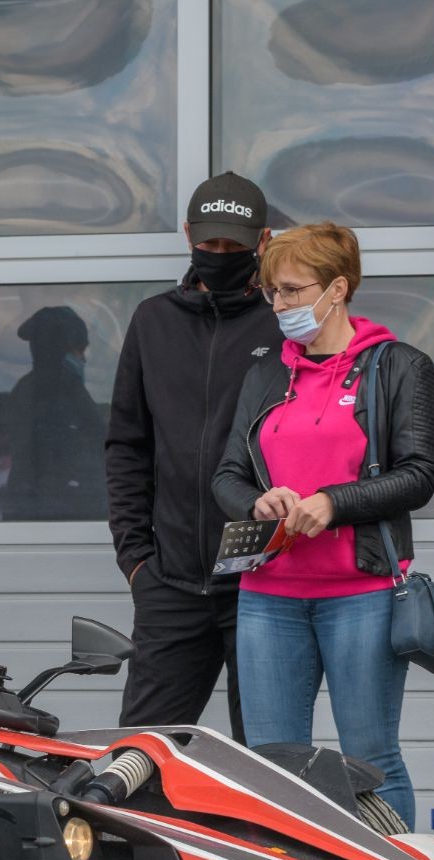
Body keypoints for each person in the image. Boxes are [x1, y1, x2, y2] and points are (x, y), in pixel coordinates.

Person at [209, 221, 434, 827]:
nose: (278, 305)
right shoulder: (266, 373)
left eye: (291, 290)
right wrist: (257, 502)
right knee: (271, 765)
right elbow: (227, 475)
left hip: (362, 594)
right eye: (272, 292)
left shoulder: (398, 366)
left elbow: (418, 476)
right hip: (268, 596)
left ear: (338, 288)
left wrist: (334, 503)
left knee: (372, 758)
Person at [106, 172, 281, 737]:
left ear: (264, 240)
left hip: (262, 582)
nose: (221, 253)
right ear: (187, 234)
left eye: (234, 244)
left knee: (264, 756)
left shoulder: (283, 323)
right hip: (171, 584)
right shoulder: (152, 320)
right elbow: (127, 445)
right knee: (142, 753)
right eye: (210, 242)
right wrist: (137, 560)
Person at [0, 305, 102, 520]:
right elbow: (99, 441)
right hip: (70, 515)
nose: (84, 359)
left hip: (18, 512)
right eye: (80, 350)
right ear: (63, 348)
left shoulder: (22, 388)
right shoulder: (70, 390)